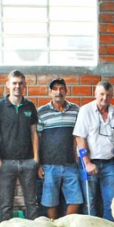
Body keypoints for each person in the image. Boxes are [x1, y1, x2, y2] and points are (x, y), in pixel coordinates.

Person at [73, 80, 114, 222]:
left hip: (109, 163)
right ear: (95, 94)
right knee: (90, 202)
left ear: (112, 96)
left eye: (108, 95)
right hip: (90, 162)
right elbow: (80, 137)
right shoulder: (85, 110)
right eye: (102, 94)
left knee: (111, 202)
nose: (104, 98)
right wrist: (87, 162)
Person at [0, 70, 40, 221]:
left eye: (20, 83)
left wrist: (36, 159)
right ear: (7, 85)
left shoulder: (29, 106)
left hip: (28, 162)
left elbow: (34, 133)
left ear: (24, 85)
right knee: (6, 204)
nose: (17, 86)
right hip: (6, 162)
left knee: (32, 203)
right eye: (14, 83)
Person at [36, 77, 83, 219]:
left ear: (66, 91)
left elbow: (80, 135)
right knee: (51, 201)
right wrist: (38, 164)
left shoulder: (75, 110)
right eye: (55, 89)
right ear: (50, 92)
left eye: (61, 88)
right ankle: (54, 226)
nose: (58, 92)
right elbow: (37, 139)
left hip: (70, 164)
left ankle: (64, 226)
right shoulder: (42, 112)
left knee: (76, 200)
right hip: (49, 165)